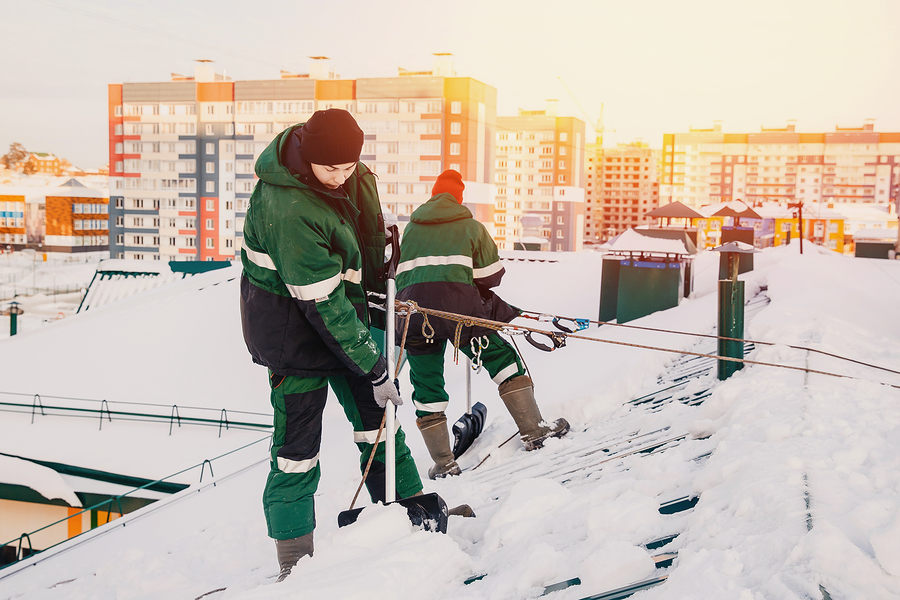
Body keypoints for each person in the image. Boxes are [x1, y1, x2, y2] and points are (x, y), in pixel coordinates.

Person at [240, 109, 423, 581]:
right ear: (308, 158)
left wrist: (379, 253)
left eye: (348, 168)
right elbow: (321, 305)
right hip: (292, 332)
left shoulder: (351, 173)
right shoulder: (289, 207)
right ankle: (294, 561)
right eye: (332, 170)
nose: (341, 178)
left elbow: (358, 234)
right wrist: (375, 365)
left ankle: (408, 516)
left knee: (379, 424)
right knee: (296, 449)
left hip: (346, 315)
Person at [396, 169, 570, 479]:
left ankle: (444, 463)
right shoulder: (471, 226)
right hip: (462, 316)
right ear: (459, 197)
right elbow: (491, 276)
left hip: (415, 317)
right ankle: (534, 430)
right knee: (501, 360)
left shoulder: (410, 228)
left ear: (433, 195)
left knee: (426, 385)